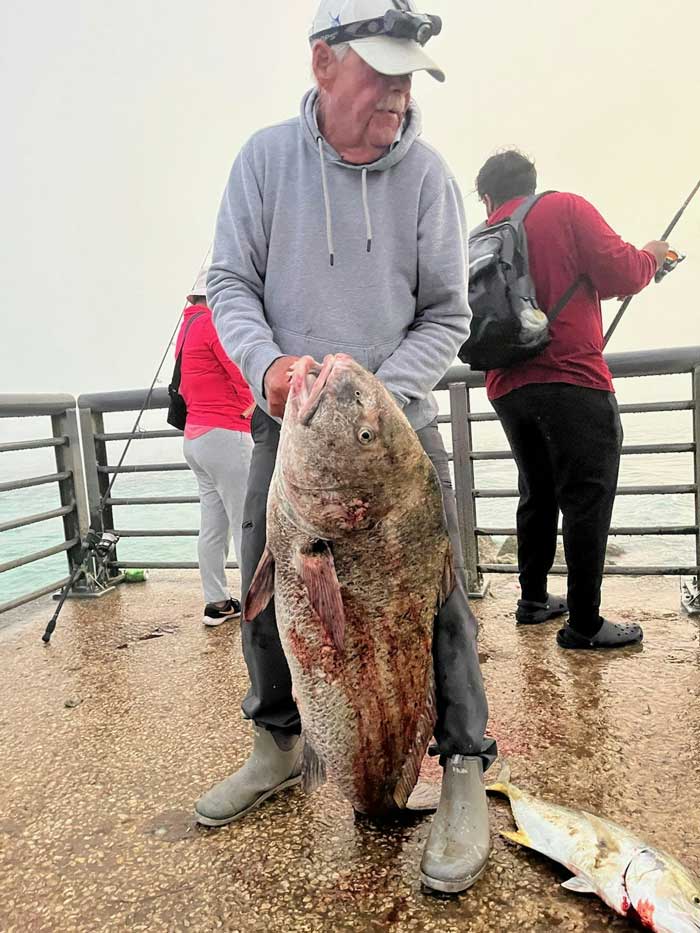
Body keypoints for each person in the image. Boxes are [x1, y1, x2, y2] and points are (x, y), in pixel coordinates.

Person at [196, 0, 497, 895]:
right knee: (266, 592)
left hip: (396, 440)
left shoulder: (429, 178)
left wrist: (371, 402)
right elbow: (228, 281)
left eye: (407, 77)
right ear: (324, 63)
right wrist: (272, 371)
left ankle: (464, 766)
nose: (397, 95)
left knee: (440, 606)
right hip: (281, 430)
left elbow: (448, 312)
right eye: (380, 73)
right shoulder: (263, 161)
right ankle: (277, 743)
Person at [476, 150, 668, 650]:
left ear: (488, 197)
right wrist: (653, 256)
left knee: (536, 491)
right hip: (572, 376)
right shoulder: (564, 208)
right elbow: (624, 272)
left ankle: (534, 601)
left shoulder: (485, 235)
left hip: (508, 385)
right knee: (586, 495)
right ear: (533, 182)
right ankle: (584, 623)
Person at [177, 253, 255, 626]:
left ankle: (217, 602)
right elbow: (238, 370)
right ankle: (260, 606)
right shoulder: (212, 322)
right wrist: (251, 403)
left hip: (196, 437)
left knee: (212, 525)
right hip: (225, 435)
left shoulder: (188, 326)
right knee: (246, 522)